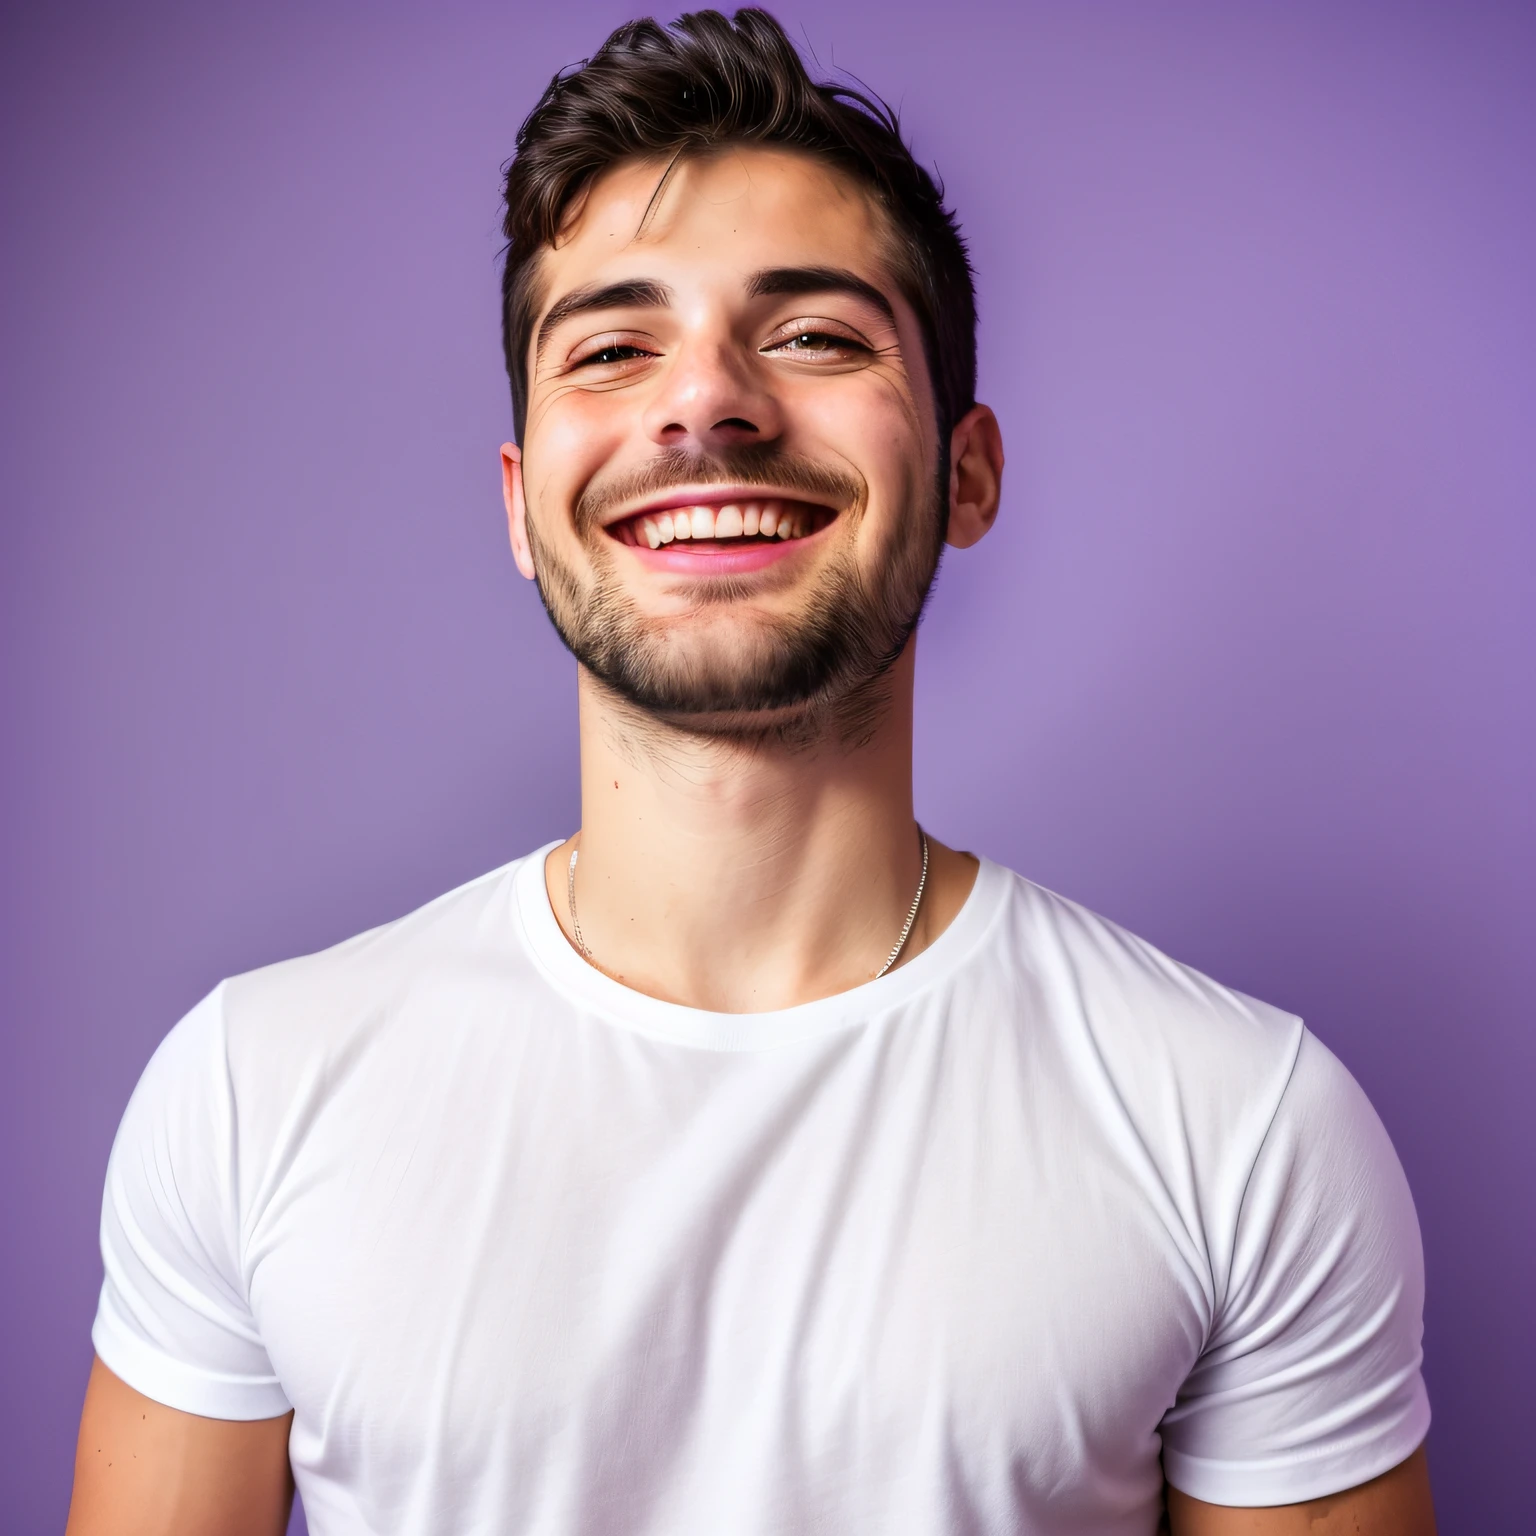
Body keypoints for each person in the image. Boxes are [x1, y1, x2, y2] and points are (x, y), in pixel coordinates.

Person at [66, 10, 1436, 1534]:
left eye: (813, 335)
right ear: (523, 505)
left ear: (967, 473)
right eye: (611, 347)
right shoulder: (254, 1090)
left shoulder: (1242, 1125)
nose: (705, 401)